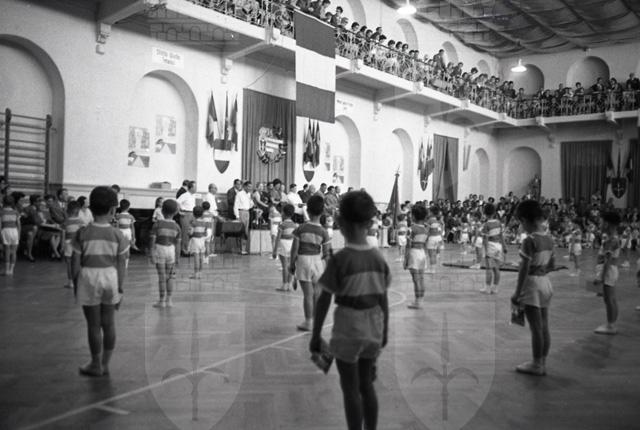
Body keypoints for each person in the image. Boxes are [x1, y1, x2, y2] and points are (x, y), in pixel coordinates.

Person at [310, 190, 390, 430]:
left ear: (341, 223)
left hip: (348, 328)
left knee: (350, 389)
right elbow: (383, 299)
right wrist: (385, 332)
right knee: (367, 385)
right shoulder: (379, 259)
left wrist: (316, 334)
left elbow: (324, 299)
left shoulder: (340, 260)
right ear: (370, 223)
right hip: (374, 327)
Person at [71, 186, 128, 377]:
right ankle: (106, 364)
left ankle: (95, 364)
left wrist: (76, 284)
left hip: (88, 277)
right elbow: (121, 264)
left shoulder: (82, 233)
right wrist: (120, 288)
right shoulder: (118, 235)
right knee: (109, 324)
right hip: (110, 278)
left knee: (93, 325)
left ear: (90, 208)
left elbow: (75, 262)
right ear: (113, 210)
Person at [511, 200, 555, 376]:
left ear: (524, 220)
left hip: (532, 285)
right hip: (545, 282)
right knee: (544, 325)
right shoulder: (549, 239)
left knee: (535, 327)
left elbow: (524, 268)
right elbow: (552, 264)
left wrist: (517, 293)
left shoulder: (529, 240)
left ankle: (536, 364)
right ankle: (542, 361)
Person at [290, 195, 331, 331]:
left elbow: (294, 249)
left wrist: (292, 264)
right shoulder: (324, 232)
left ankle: (308, 322)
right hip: (317, 262)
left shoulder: (301, 228)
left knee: (308, 294)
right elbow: (327, 253)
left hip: (303, 261)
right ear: (322, 211)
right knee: (317, 293)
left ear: (308, 210)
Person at [593, 211, 621, 335]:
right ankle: (612, 323)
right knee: (611, 298)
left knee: (609, 299)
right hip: (610, 271)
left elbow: (607, 261)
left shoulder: (612, 240)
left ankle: (610, 326)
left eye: (601, 222)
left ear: (607, 224)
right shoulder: (611, 238)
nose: (599, 224)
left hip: (608, 271)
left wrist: (601, 277)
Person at [150, 199, 181, 308]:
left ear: (162, 211)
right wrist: (177, 258)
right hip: (171, 251)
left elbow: (152, 241)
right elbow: (178, 244)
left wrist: (151, 254)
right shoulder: (177, 227)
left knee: (162, 277)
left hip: (160, 250)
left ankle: (161, 301)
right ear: (176, 212)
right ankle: (169, 300)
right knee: (170, 277)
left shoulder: (157, 224)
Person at [405, 204, 428, 309]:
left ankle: (417, 302)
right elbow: (425, 244)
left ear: (413, 216)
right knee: (421, 278)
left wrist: (406, 259)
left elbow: (408, 245)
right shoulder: (425, 229)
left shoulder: (411, 229)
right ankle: (421, 300)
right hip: (422, 253)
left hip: (414, 253)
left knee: (416, 279)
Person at [481, 203, 506, 294]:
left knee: (489, 268)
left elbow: (485, 239)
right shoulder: (498, 223)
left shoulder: (486, 225)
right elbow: (501, 235)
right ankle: (495, 288)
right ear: (494, 212)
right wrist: (504, 246)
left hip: (490, 246)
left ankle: (487, 288)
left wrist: (486, 250)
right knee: (496, 268)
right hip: (498, 246)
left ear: (485, 213)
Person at [273, 204, 298, 292]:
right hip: (291, 245)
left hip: (283, 244)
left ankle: (284, 284)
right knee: (291, 265)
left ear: (283, 213)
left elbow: (278, 238)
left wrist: (275, 250)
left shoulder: (282, 225)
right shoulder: (294, 225)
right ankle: (289, 285)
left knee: (284, 266)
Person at [62, 201, 83, 288]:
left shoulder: (66, 221)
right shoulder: (80, 221)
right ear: (78, 210)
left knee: (69, 263)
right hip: (78, 244)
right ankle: (79, 281)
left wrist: (62, 245)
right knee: (78, 262)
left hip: (68, 243)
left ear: (68, 210)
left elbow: (63, 233)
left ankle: (70, 282)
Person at [1, 195, 20, 276]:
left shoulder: (1, 212)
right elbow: (18, 224)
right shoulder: (16, 212)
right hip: (14, 231)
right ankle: (11, 270)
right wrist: (19, 234)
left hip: (5, 231)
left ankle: (6, 270)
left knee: (7, 251)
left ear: (3, 202)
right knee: (14, 251)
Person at [115, 199, 136, 269]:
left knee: (120, 249)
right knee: (127, 249)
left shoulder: (118, 216)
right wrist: (133, 237)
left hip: (120, 232)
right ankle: (125, 265)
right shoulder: (131, 216)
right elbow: (132, 227)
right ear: (128, 207)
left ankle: (119, 265)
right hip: (128, 232)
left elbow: (117, 227)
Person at [177, 181, 197, 255]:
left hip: (192, 214)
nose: (196, 188)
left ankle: (189, 249)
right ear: (191, 188)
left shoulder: (193, 195)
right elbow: (177, 202)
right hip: (186, 214)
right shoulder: (184, 195)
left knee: (191, 232)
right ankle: (184, 250)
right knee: (185, 233)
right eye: (195, 187)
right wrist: (179, 212)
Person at [234, 181, 254, 255]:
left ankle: (244, 249)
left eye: (251, 187)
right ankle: (240, 249)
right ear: (244, 186)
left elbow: (250, 206)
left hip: (247, 212)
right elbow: (236, 205)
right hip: (241, 212)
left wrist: (251, 200)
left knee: (245, 231)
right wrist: (237, 216)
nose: (250, 188)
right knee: (241, 230)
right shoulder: (239, 194)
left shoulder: (249, 194)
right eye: (249, 186)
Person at [188, 206, 208, 280]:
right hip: (202, 240)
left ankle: (196, 274)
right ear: (202, 214)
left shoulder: (193, 222)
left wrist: (188, 233)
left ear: (193, 214)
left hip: (195, 240)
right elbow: (206, 233)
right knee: (201, 257)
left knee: (196, 257)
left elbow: (190, 232)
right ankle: (200, 273)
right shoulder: (204, 223)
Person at [425, 207, 444, 274]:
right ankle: (433, 269)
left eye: (429, 211)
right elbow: (441, 230)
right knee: (434, 254)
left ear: (431, 212)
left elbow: (427, 231)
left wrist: (424, 239)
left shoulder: (430, 220)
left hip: (432, 238)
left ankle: (432, 270)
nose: (428, 213)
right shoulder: (439, 220)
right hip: (438, 238)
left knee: (431, 255)